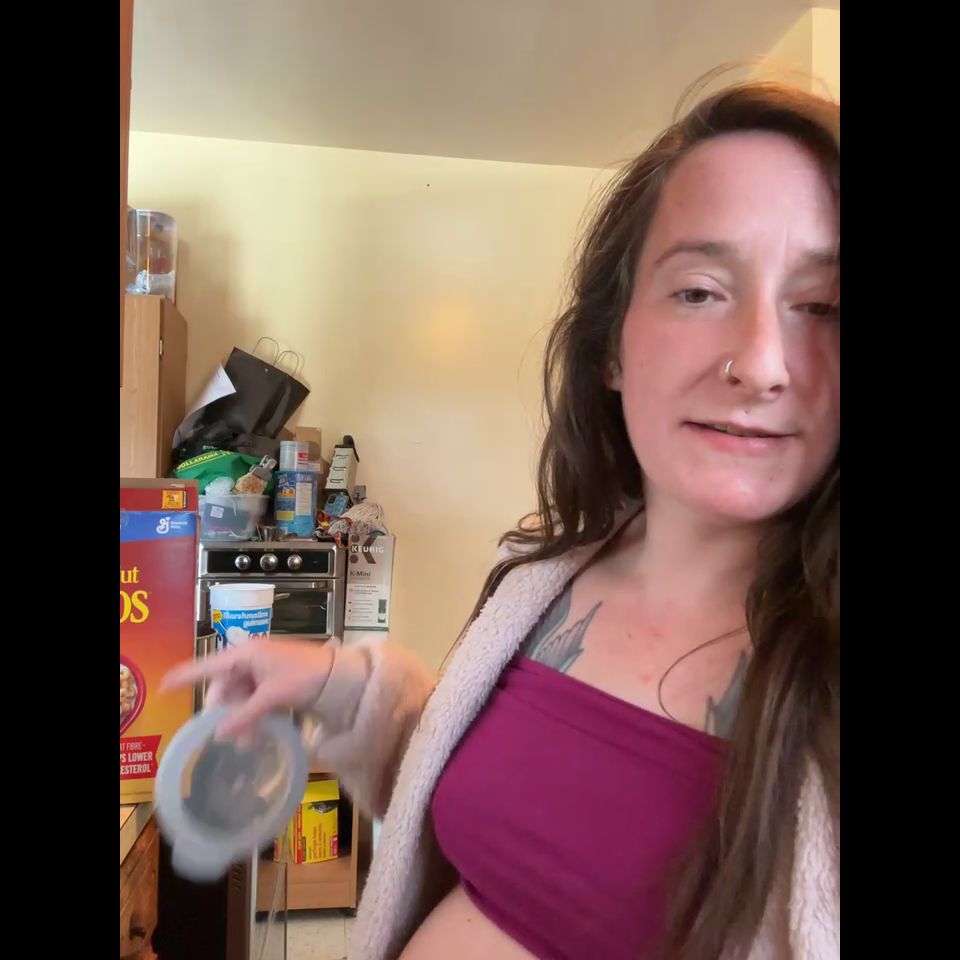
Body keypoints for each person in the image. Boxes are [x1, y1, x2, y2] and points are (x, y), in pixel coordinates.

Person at [164, 75, 840, 960]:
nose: (762, 363)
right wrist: (337, 682)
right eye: (700, 291)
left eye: (823, 306)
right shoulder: (543, 575)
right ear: (610, 348)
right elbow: (479, 801)